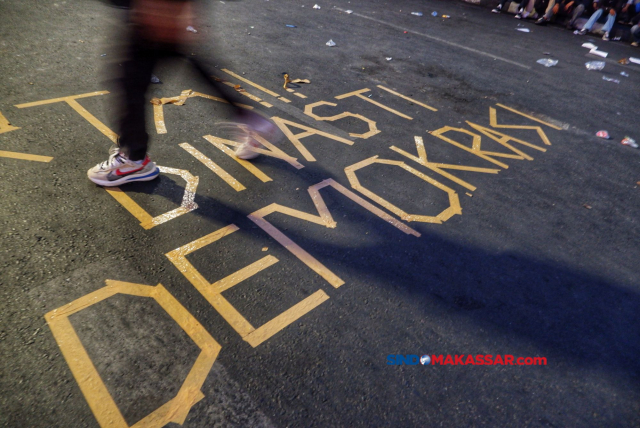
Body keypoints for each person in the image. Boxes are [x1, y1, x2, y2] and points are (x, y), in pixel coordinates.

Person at [88, 0, 278, 187]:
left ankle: (134, 159)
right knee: (183, 64)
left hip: (151, 13)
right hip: (156, 12)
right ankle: (251, 120)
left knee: (130, 83)